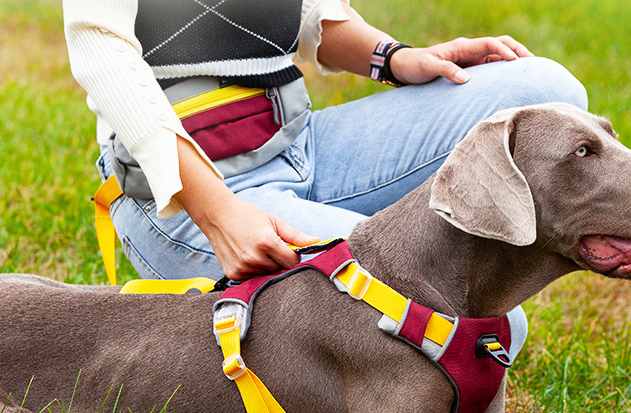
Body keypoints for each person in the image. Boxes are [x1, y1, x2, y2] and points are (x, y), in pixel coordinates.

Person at [63, 0, 587, 284]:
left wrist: (396, 58)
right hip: (185, 198)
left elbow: (307, 12)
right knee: (475, 316)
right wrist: (219, 214)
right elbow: (103, 56)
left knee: (545, 92)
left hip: (299, 143)